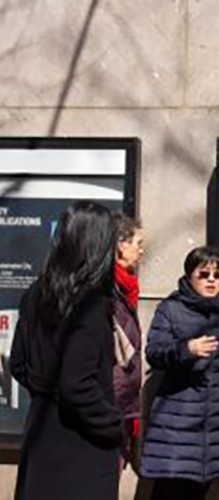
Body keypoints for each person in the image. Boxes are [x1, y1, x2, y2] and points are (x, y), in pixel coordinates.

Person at [9, 201, 123, 500]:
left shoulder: (36, 293)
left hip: (41, 436)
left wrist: (45, 391)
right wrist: (112, 424)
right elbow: (77, 385)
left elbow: (19, 363)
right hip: (82, 446)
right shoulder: (90, 306)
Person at [139, 246, 219, 500]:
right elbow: (154, 353)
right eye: (203, 274)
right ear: (189, 276)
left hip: (215, 420)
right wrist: (187, 349)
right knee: (172, 491)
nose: (211, 280)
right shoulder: (171, 309)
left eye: (217, 276)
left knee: (209, 492)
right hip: (176, 421)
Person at [112, 212, 144, 471]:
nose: (141, 251)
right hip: (111, 408)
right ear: (121, 245)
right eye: (137, 243)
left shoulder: (125, 288)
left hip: (122, 407)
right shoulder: (108, 290)